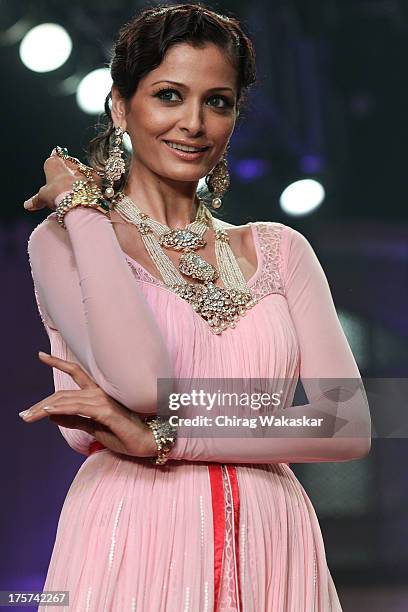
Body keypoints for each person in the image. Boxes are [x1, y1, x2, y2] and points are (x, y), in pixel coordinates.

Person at [22, 4, 371, 611]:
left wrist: (164, 439)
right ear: (119, 105)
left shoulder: (281, 250)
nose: (193, 123)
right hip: (136, 530)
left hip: (272, 535)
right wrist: (82, 209)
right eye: (169, 95)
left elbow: (346, 425)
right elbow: (140, 384)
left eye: (218, 101)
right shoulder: (64, 240)